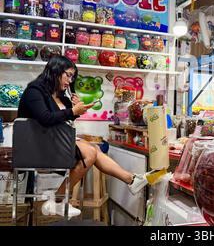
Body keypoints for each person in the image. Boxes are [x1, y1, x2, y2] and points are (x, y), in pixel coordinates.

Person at [17, 56, 149, 218]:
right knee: (90, 153)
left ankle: (131, 180)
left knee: (94, 149)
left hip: (51, 142)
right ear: (55, 71)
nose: (70, 80)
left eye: (73, 76)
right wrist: (72, 111)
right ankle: (57, 200)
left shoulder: (60, 95)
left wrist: (73, 109)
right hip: (36, 148)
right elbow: (45, 118)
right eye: (68, 75)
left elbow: (61, 118)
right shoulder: (34, 91)